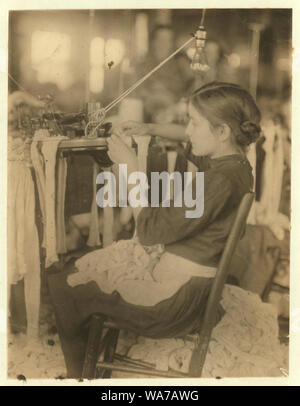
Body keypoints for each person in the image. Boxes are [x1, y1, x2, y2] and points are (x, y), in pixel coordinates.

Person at [48, 82, 261, 378]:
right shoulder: (234, 166)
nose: (187, 130)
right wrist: (149, 128)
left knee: (64, 286)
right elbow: (191, 145)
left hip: (173, 303)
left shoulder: (217, 183)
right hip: (190, 288)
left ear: (222, 132)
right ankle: (89, 357)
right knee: (82, 271)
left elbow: (149, 231)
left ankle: (79, 377)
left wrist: (131, 167)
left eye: (194, 122)